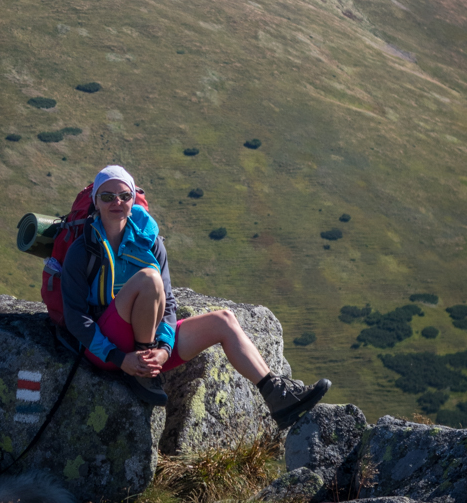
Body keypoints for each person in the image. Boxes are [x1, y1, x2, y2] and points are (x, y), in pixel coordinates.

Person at [61, 165, 331, 427]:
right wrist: (121, 358)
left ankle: (276, 395)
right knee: (149, 278)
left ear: (133, 199)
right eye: (107, 197)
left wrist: (165, 349)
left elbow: (168, 304)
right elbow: (75, 317)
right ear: (95, 202)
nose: (116, 202)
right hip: (108, 346)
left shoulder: (149, 241)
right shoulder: (82, 250)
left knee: (224, 320)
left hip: (153, 346)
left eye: (125, 196)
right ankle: (143, 374)